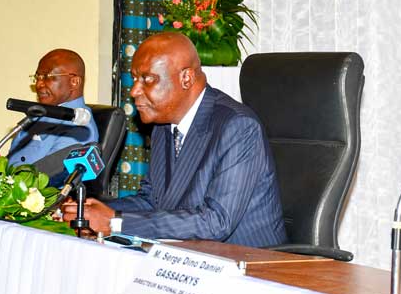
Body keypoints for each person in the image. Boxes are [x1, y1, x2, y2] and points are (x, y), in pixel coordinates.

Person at [63, 32, 286, 247]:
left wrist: (116, 222)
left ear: (186, 78)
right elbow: (151, 201)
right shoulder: (163, 125)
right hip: (190, 254)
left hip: (251, 261)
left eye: (147, 79)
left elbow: (216, 222)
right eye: (135, 79)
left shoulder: (237, 126)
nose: (134, 91)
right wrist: (91, 211)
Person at [8, 49, 99, 182]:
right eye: (37, 77)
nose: (39, 84)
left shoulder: (80, 126)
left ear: (74, 82)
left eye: (47, 77)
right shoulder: (39, 114)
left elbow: (48, 180)